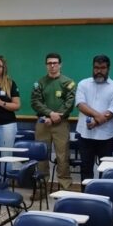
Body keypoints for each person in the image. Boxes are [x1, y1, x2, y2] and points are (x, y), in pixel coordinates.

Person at [31, 53, 76, 190]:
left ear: (60, 65)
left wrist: (56, 117)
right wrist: (50, 114)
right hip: (43, 123)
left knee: (63, 156)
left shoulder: (69, 82)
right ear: (46, 65)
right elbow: (35, 102)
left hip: (61, 124)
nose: (52, 65)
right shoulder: (39, 83)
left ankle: (65, 188)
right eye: (49, 63)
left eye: (55, 63)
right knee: (41, 156)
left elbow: (69, 103)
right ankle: (41, 188)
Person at [75, 55, 113, 181]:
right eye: (96, 68)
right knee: (85, 169)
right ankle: (87, 193)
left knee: (106, 170)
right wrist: (98, 117)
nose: (99, 71)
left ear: (108, 69)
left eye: (102, 68)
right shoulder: (83, 84)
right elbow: (80, 105)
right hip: (85, 134)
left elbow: (112, 111)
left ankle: (103, 192)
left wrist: (96, 122)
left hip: (106, 136)